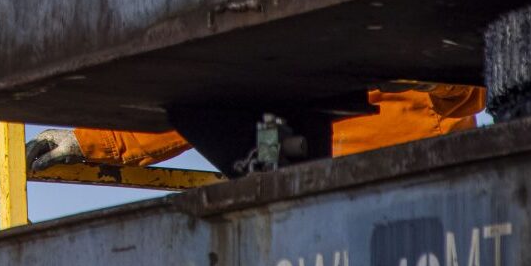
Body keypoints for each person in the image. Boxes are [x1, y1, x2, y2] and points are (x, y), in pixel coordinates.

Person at [25, 84, 485, 172]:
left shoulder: (439, 103)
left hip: (395, 217)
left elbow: (467, 87)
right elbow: (209, 109)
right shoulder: (293, 50)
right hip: (302, 205)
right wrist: (87, 141)